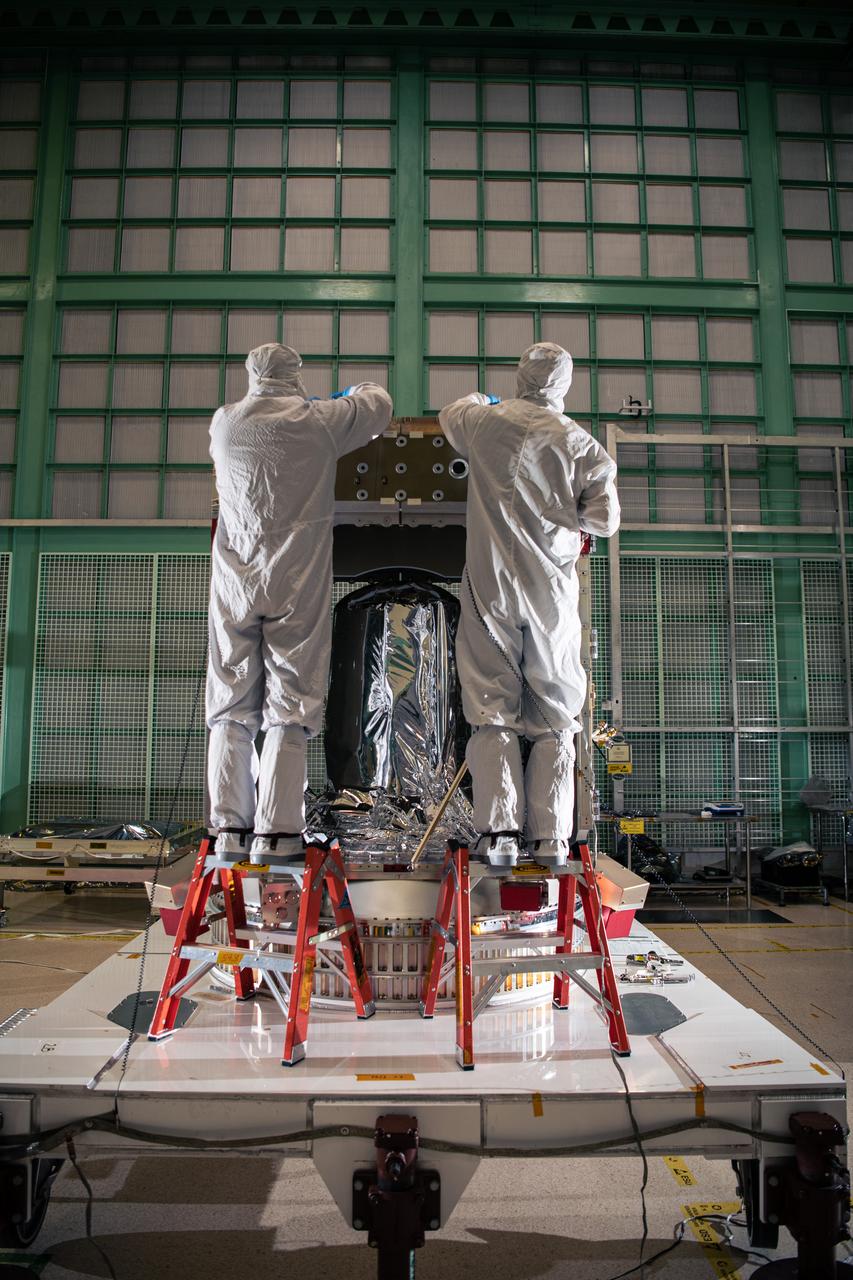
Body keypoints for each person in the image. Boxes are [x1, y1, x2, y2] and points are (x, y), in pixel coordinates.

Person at [207, 343, 393, 863]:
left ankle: (229, 831)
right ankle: (278, 833)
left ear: (251, 374)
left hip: (236, 584)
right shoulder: (317, 421)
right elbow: (379, 404)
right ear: (295, 375)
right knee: (289, 706)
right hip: (294, 583)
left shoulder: (225, 422)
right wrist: (347, 394)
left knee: (231, 706)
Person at [439, 342, 620, 867]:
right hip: (549, 594)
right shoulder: (582, 444)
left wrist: (487, 399)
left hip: (490, 587)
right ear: (563, 384)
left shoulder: (484, 422)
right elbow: (604, 521)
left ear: (520, 377)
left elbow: (451, 412)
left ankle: (497, 835)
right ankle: (551, 840)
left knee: (492, 710)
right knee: (557, 716)